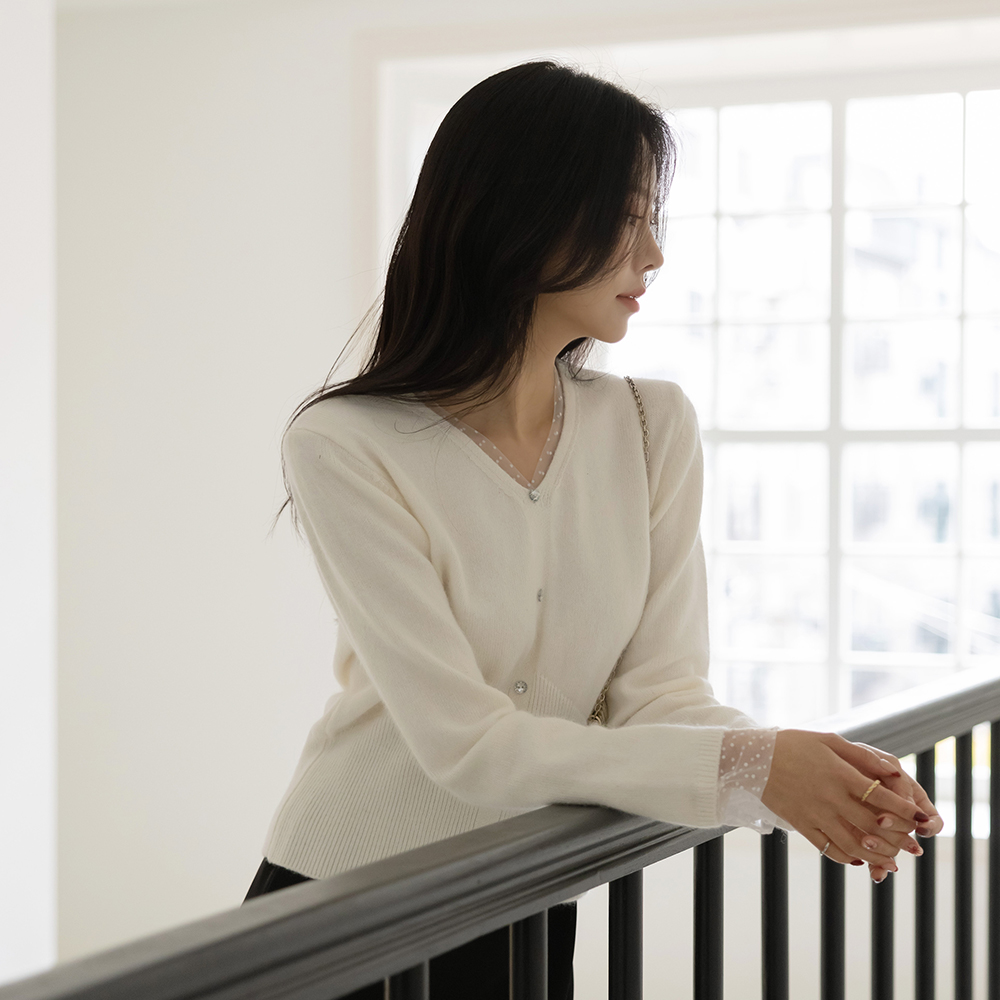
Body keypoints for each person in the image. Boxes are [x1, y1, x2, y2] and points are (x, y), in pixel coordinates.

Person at [243, 61, 943, 999]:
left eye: (652, 217)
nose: (652, 253)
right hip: (346, 903)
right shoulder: (343, 444)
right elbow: (468, 744)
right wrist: (755, 769)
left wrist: (810, 772)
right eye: (626, 216)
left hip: (520, 889)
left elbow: (660, 692)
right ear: (519, 211)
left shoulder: (652, 427)